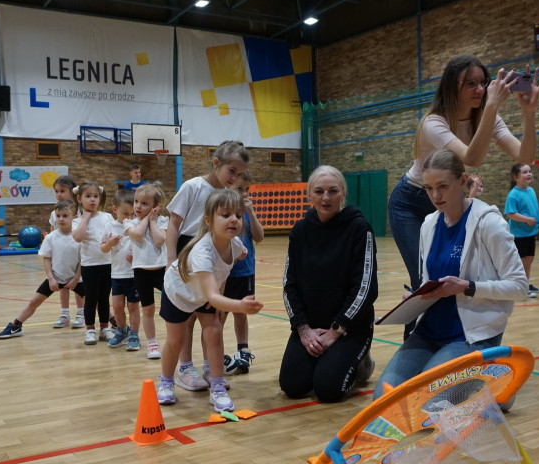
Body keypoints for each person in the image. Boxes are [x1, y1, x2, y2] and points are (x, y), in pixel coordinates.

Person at [374, 150, 527, 399]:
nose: (435, 195)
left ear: (463, 180)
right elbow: (430, 281)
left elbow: (520, 286)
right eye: (428, 188)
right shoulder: (428, 225)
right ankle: (480, 381)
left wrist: (467, 286)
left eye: (443, 186)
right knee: (384, 399)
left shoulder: (489, 223)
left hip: (470, 336)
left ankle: (486, 379)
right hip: (428, 332)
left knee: (430, 405)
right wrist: (415, 297)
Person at [387, 55, 539, 295]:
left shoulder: (487, 116)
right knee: (423, 279)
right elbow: (472, 159)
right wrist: (491, 107)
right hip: (411, 202)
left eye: (483, 82)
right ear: (452, 87)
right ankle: (417, 333)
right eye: (470, 84)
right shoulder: (434, 122)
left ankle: (449, 331)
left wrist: (529, 113)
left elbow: (525, 156)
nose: (480, 89)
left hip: (446, 202)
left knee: (448, 276)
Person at [156, 189, 263, 412]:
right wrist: (238, 305)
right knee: (175, 341)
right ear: (208, 220)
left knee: (214, 332)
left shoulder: (234, 246)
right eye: (225, 214)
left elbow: (223, 273)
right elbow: (214, 295)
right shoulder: (201, 251)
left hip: (203, 294)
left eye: (238, 214)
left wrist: (217, 304)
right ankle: (166, 381)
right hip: (178, 294)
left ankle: (217, 388)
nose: (233, 219)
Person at [281, 166, 378, 404]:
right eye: (319, 191)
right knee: (292, 386)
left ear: (343, 193)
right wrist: (303, 330)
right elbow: (289, 285)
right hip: (311, 327)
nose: (326, 198)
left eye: (333, 191)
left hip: (349, 327)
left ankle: (361, 360)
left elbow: (365, 289)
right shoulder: (300, 231)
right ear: (309, 195)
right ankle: (331, 357)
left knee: (327, 389)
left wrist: (337, 330)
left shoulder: (359, 228)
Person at [165, 140, 250, 390]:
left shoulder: (229, 197)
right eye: (231, 171)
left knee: (212, 318)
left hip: (216, 248)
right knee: (186, 318)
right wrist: (171, 259)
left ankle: (209, 368)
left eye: (240, 174)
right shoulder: (193, 186)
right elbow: (173, 224)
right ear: (216, 164)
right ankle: (185, 367)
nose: (234, 178)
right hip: (187, 251)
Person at [0, 202, 82, 339]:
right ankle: (16, 326)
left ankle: (115, 324)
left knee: (95, 302)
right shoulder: (50, 237)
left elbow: (82, 261)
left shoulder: (79, 238)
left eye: (65, 216)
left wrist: (76, 278)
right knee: (34, 302)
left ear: (75, 217)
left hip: (76, 279)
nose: (61, 219)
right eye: (58, 216)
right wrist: (51, 278)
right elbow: (46, 259)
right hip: (56, 278)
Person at [220, 171, 264, 376]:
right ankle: (215, 352)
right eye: (239, 189)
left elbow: (259, 236)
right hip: (224, 272)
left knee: (241, 312)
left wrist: (252, 213)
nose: (244, 193)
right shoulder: (223, 211)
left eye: (247, 189)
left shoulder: (246, 212)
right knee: (219, 315)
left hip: (245, 271)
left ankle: (243, 350)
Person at [127, 183, 169, 359]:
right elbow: (136, 234)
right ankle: (152, 342)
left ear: (155, 206)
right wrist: (147, 218)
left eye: (144, 203)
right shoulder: (129, 222)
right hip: (141, 273)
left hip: (162, 271)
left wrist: (153, 220)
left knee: (170, 307)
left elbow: (160, 241)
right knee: (148, 309)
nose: (138, 206)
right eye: (136, 201)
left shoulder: (162, 221)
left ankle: (173, 339)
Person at [72, 181, 115, 345]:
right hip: (89, 266)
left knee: (104, 297)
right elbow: (78, 237)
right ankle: (90, 329)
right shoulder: (78, 221)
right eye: (88, 196)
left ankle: (105, 328)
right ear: (79, 198)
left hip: (108, 264)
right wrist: (85, 218)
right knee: (91, 299)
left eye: (95, 196)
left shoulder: (107, 217)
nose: (92, 200)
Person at [101, 189, 141, 351]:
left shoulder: (136, 226)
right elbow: (103, 248)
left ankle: (134, 334)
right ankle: (122, 330)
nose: (130, 218)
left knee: (133, 307)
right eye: (126, 214)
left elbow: (145, 248)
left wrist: (136, 257)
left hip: (133, 275)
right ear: (115, 210)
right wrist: (110, 244)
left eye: (133, 214)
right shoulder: (109, 226)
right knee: (117, 306)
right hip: (117, 274)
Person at [48, 175, 85, 329]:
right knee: (63, 286)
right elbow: (51, 233)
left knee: (78, 287)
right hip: (61, 258)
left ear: (72, 191)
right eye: (56, 191)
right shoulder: (54, 213)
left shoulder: (81, 213)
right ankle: (64, 315)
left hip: (78, 256)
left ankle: (81, 315)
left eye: (62, 191)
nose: (59, 194)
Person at [503, 163, 539, 296]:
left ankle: (525, 283)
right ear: (516, 177)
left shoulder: (531, 191)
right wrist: (527, 219)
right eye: (525, 172)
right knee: (520, 261)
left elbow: (534, 208)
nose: (529, 174)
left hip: (530, 233)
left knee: (529, 259)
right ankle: (519, 287)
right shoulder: (514, 194)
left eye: (530, 171)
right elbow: (510, 213)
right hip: (519, 234)